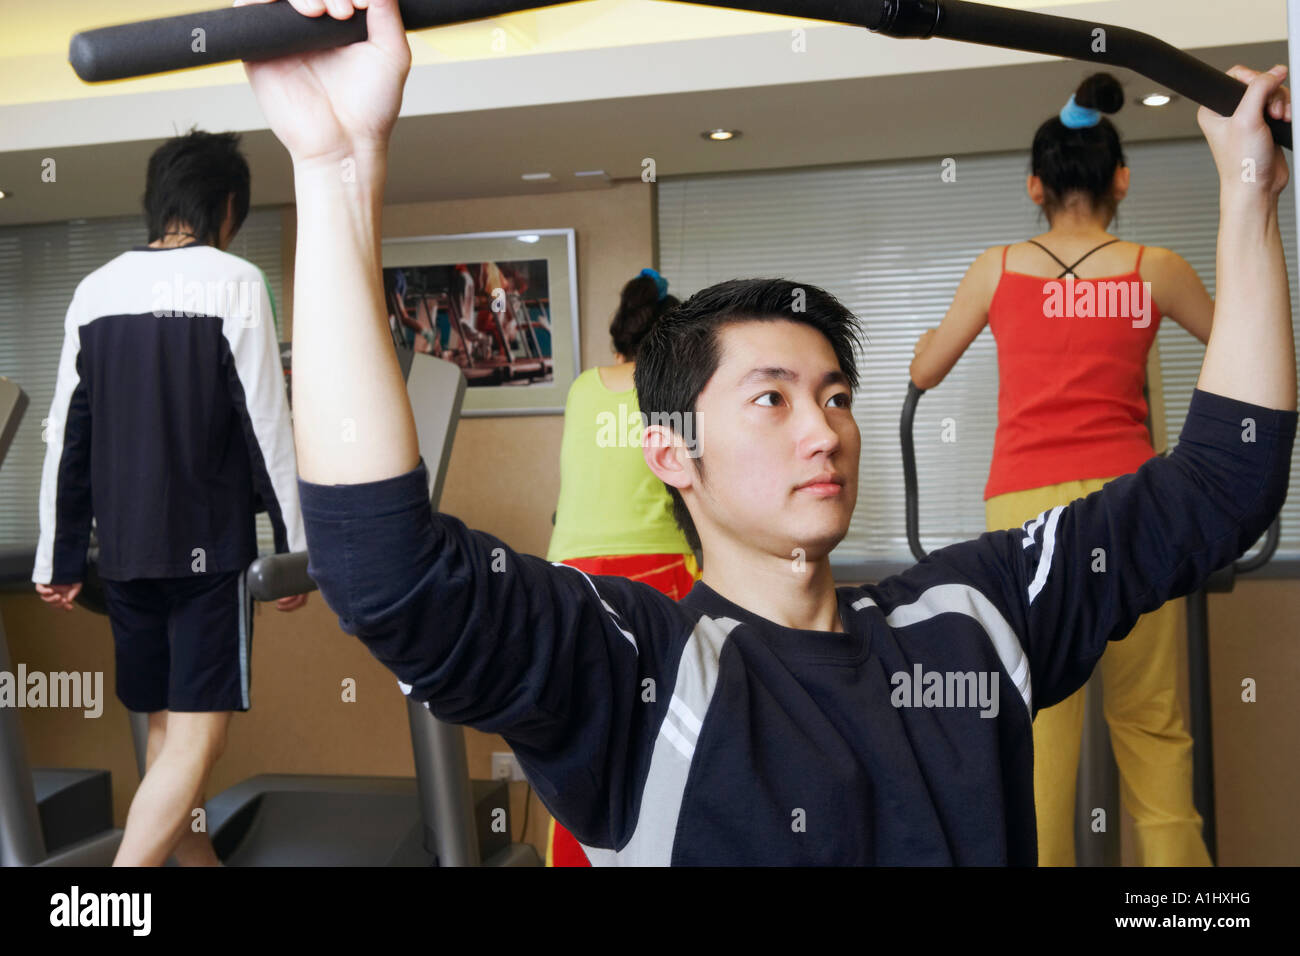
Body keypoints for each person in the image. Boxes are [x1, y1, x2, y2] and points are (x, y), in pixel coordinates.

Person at [243, 0, 1294, 865]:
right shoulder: (634, 669)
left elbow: (1222, 481)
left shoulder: (973, 616)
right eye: (771, 397)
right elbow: (386, 573)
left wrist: (1248, 192)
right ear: (670, 453)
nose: (824, 429)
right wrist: (336, 169)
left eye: (835, 394)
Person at [910, 73, 1217, 866]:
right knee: (1152, 725)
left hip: (1025, 512)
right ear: (1121, 177)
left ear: (1035, 185)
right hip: (1135, 505)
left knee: (1040, 725)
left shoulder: (997, 266)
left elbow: (926, 370)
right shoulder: (1156, 267)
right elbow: (1246, 355)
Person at [31, 128, 308, 866]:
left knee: (163, 728)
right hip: (206, 552)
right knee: (199, 738)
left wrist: (58, 556)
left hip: (123, 553)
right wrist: (298, 553)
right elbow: (267, 428)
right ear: (227, 207)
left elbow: (69, 434)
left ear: (158, 203)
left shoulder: (94, 290)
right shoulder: (235, 282)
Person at [544, 268, 700, 866]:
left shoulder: (584, 388)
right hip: (655, 574)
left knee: (580, 741)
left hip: (570, 575)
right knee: (664, 742)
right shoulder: (673, 393)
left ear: (620, 344)